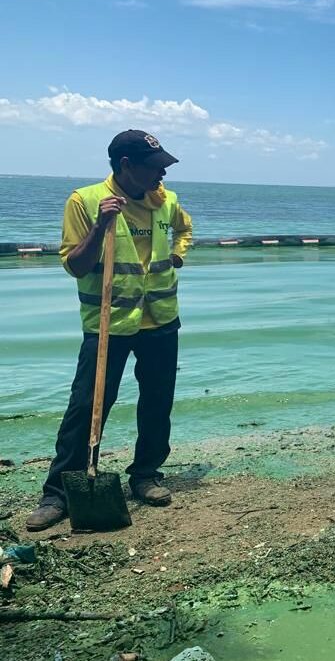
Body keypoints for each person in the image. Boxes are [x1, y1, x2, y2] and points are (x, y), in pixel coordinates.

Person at [26, 130, 193, 532]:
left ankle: (146, 475)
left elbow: (185, 229)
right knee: (87, 405)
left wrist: (177, 254)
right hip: (109, 323)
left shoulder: (165, 201)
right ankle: (59, 493)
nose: (162, 175)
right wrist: (101, 226)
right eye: (155, 168)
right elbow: (76, 266)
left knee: (157, 401)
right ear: (126, 166)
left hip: (160, 319)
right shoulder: (83, 202)